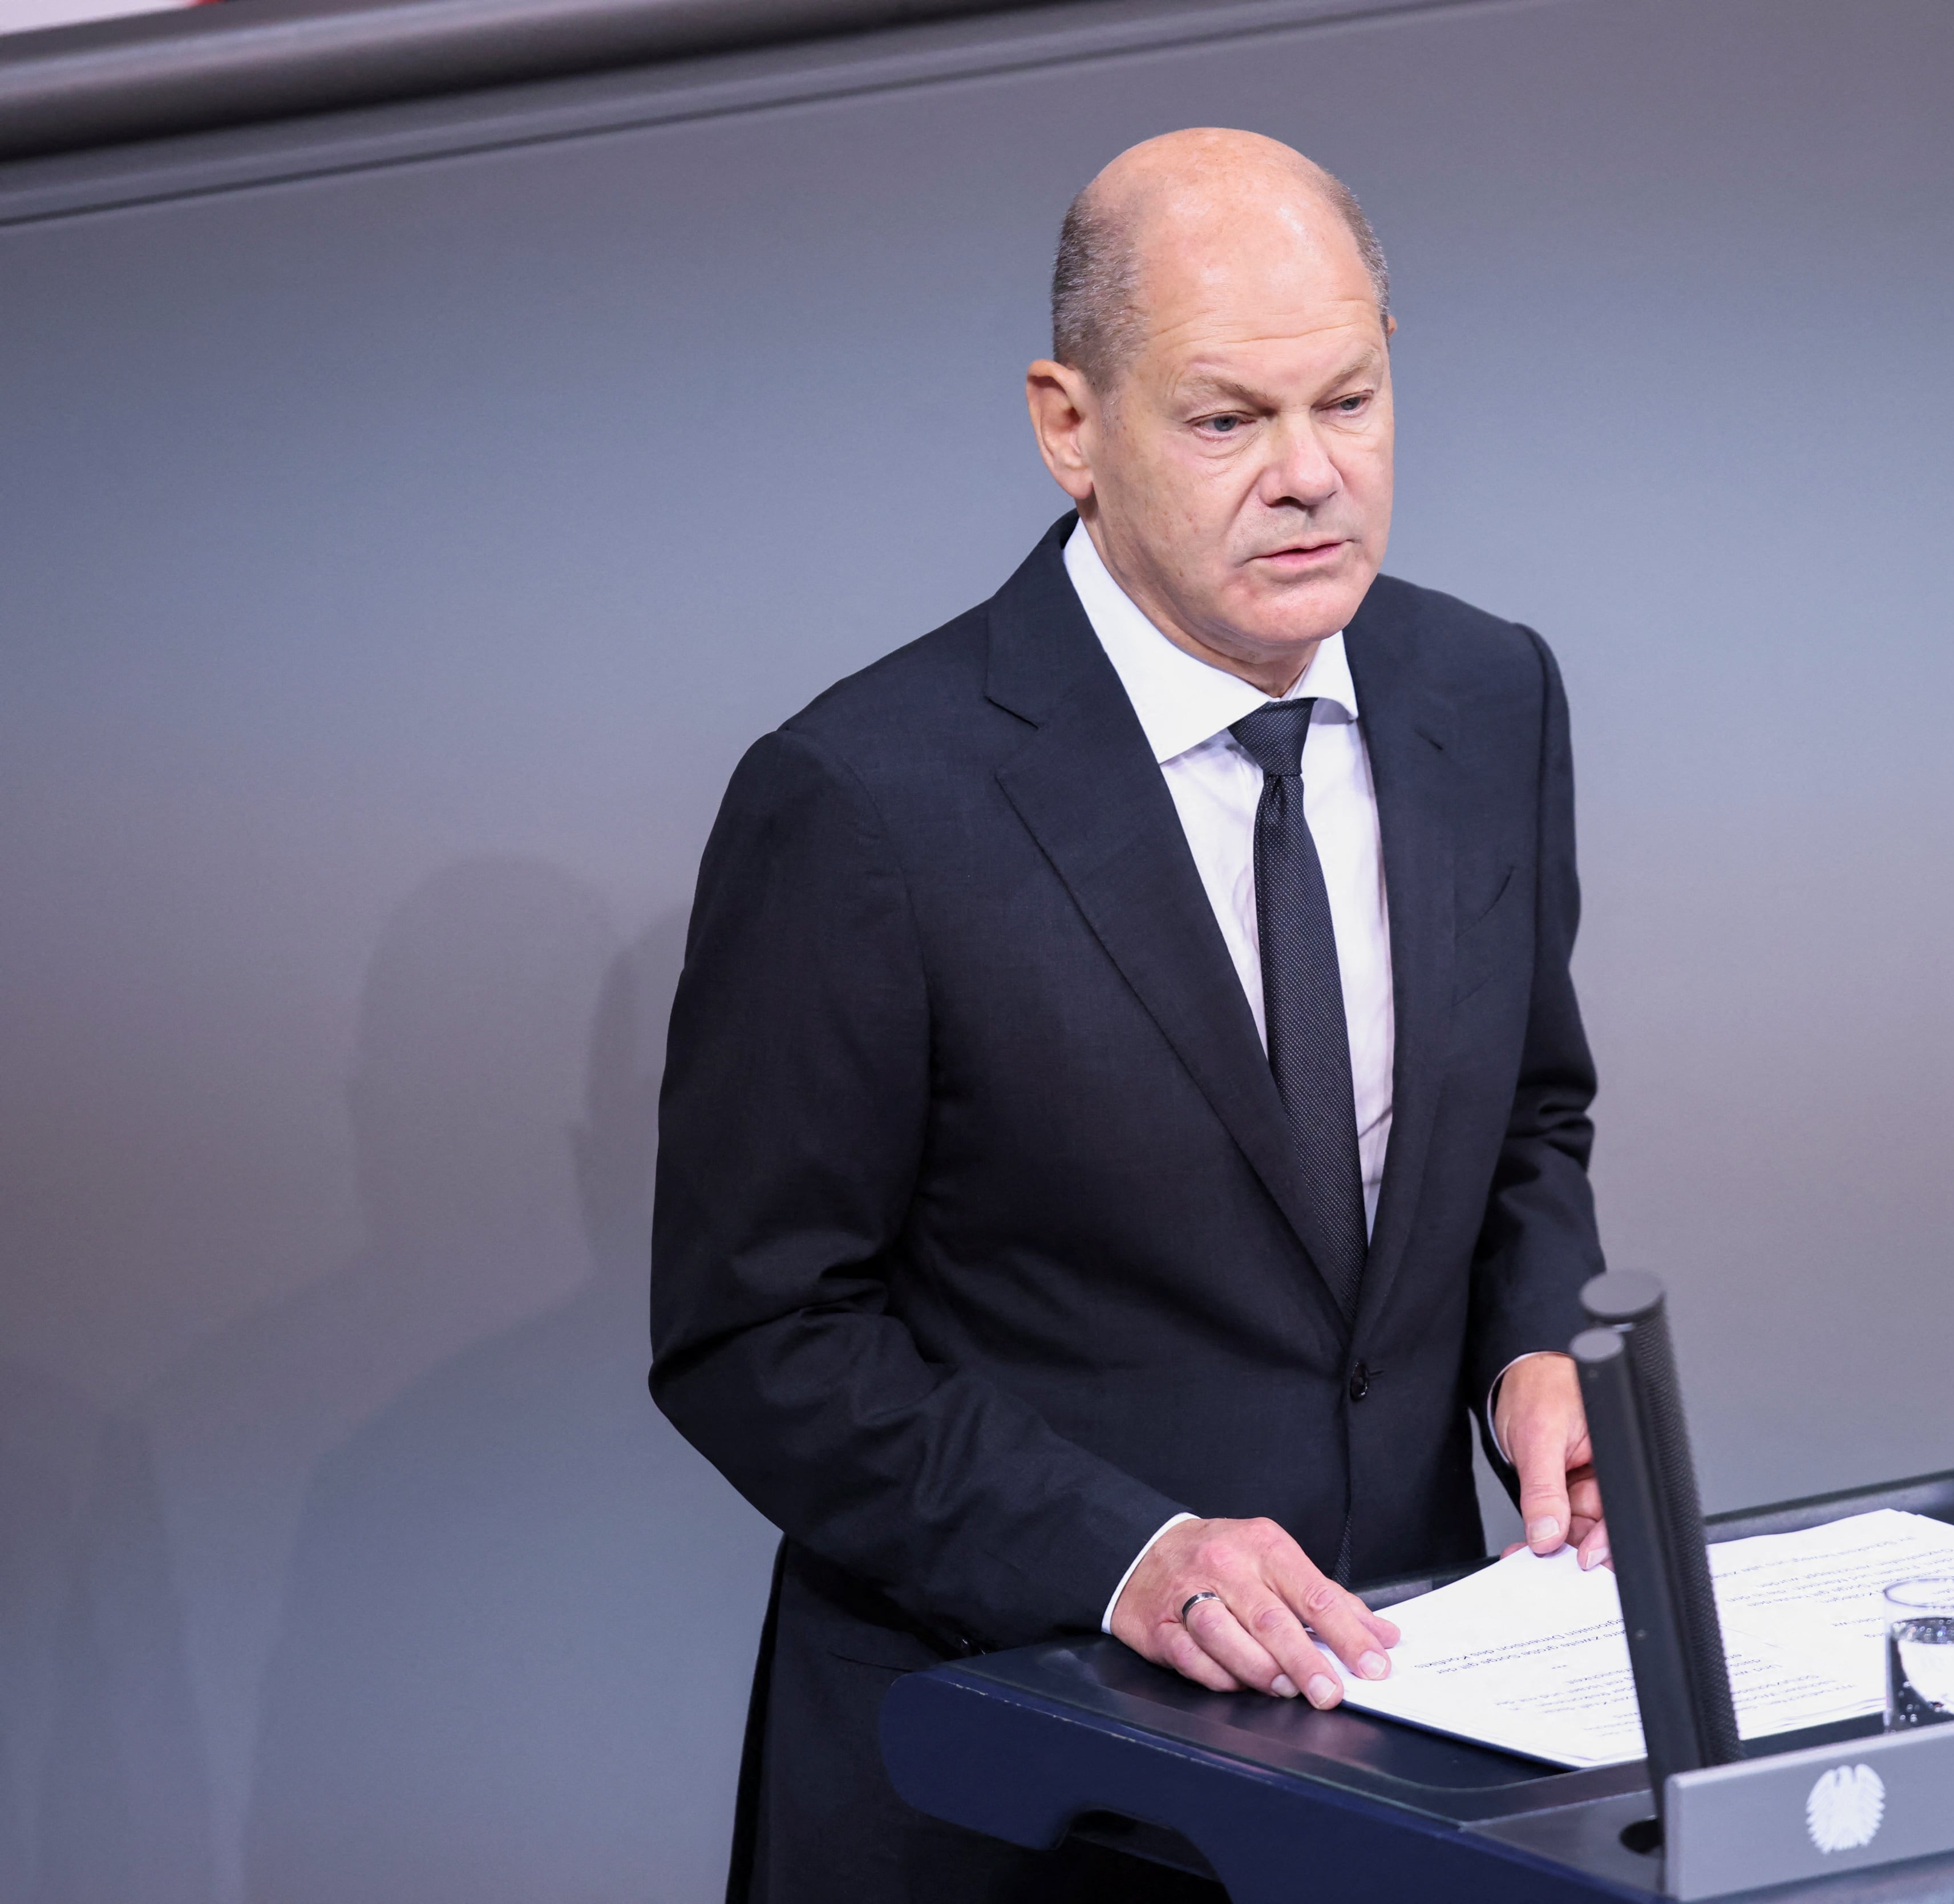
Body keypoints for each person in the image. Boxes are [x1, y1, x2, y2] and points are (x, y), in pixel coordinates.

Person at [650, 127, 1611, 1901]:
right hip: (1010, 1791)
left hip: (1408, 1757)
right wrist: (1124, 1550)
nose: (1312, 475)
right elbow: (759, 1331)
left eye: (1351, 400)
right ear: (1069, 425)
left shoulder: (1491, 695)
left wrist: (1532, 1349)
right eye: (1229, 420)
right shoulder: (862, 800)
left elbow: (1529, 1120)